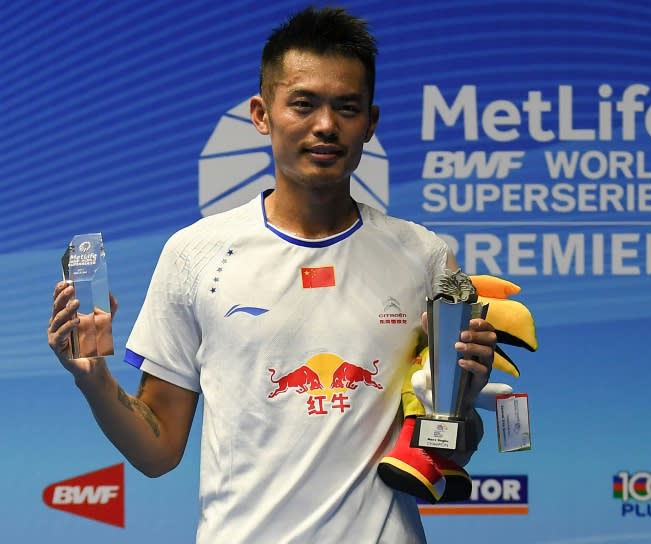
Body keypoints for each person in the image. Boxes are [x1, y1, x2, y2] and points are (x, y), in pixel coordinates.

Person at [47, 6, 496, 543]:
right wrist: (93, 380)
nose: (325, 126)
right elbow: (158, 450)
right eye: (303, 104)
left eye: (346, 108)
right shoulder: (196, 253)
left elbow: (451, 448)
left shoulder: (425, 257)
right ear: (262, 114)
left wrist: (460, 402)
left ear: (370, 124)